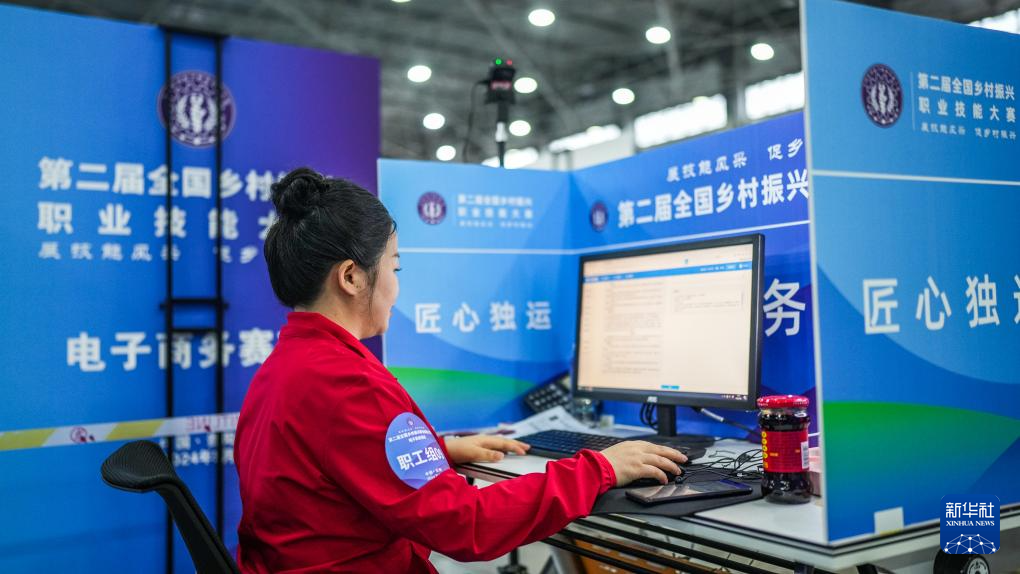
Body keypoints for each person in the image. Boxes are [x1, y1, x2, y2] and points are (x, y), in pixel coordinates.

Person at [234, 167, 687, 573]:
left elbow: (331, 473)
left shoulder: (283, 368)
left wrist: (438, 453)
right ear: (351, 277)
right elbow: (469, 525)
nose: (396, 287)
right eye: (394, 266)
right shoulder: (348, 384)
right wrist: (600, 469)